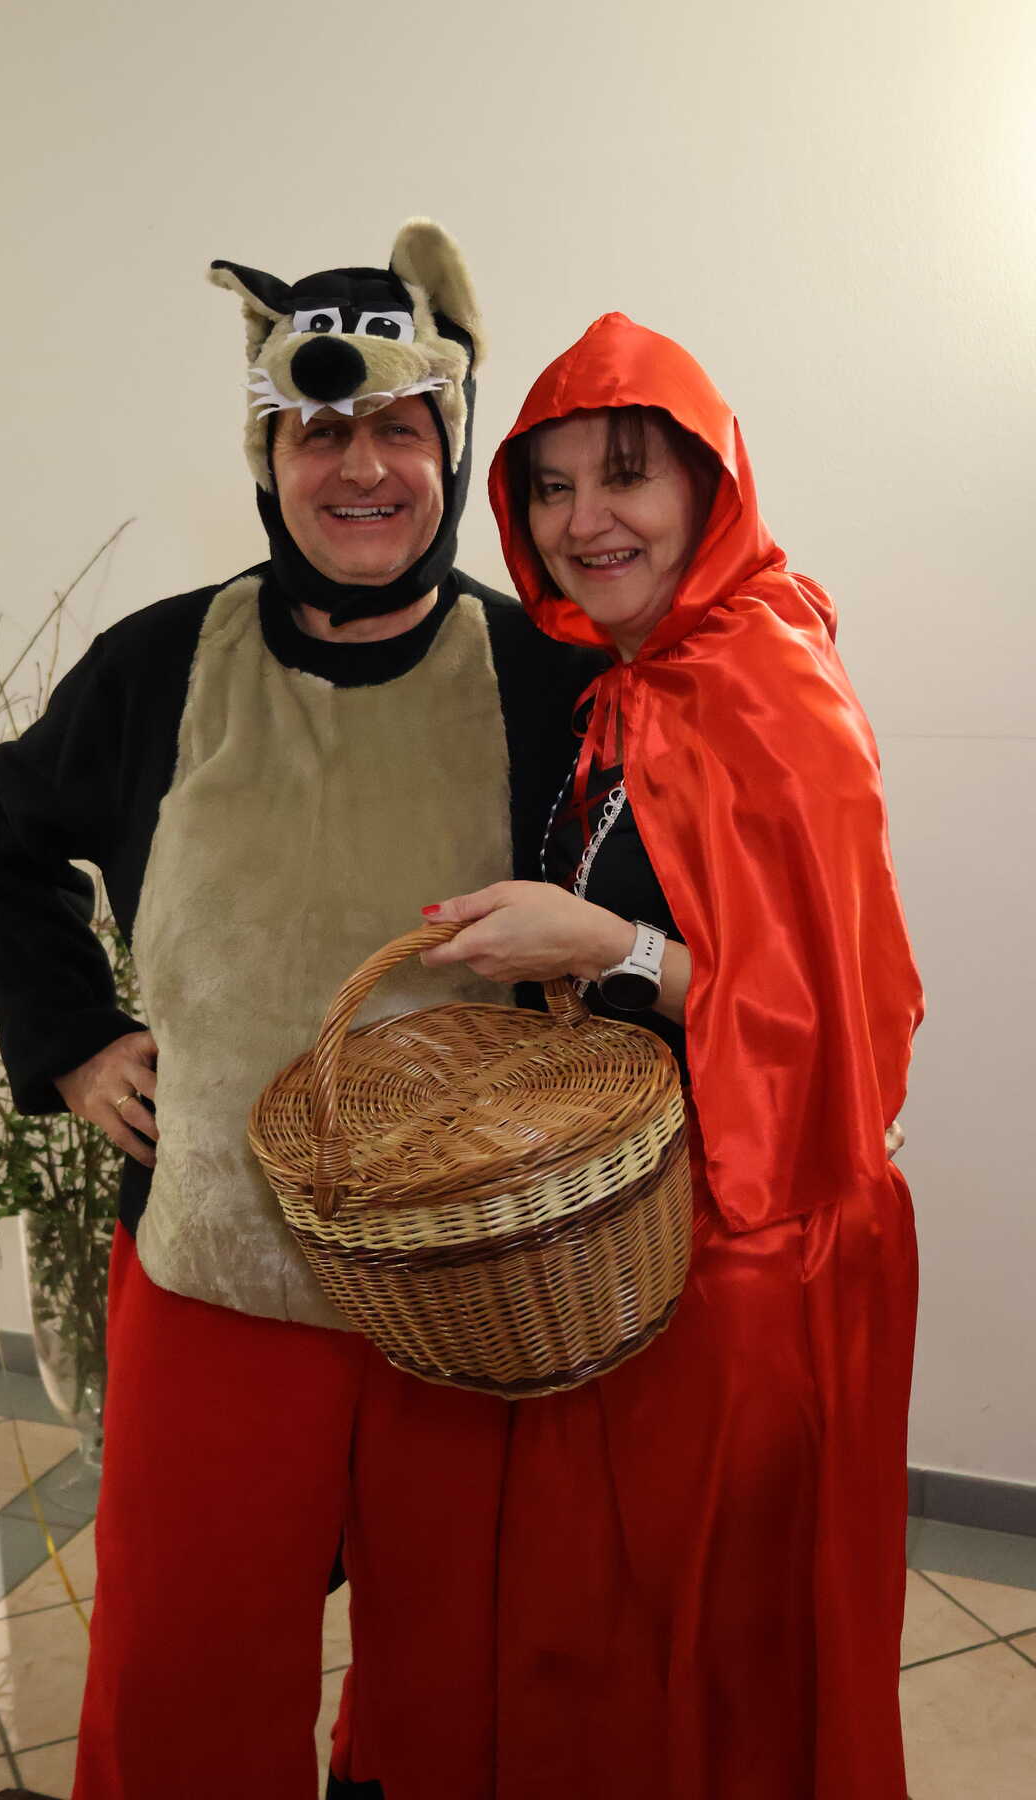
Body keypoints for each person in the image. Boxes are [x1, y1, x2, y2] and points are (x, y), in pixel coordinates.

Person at [0, 220, 601, 1800]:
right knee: (187, 1658)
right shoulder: (160, 664)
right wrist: (73, 1041)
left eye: (399, 428)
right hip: (215, 1267)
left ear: (451, 448)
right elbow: (6, 844)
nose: (361, 467)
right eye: (319, 432)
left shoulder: (546, 680)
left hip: (463, 1287)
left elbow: (654, 923)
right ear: (268, 457)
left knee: (455, 1671)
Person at [418, 312, 922, 1798]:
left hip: (762, 1261)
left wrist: (606, 948)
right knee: (625, 1639)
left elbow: (849, 1024)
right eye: (552, 487)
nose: (587, 521)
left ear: (711, 487)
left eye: (626, 475)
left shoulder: (767, 682)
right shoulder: (625, 686)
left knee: (734, 1650)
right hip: (638, 1240)